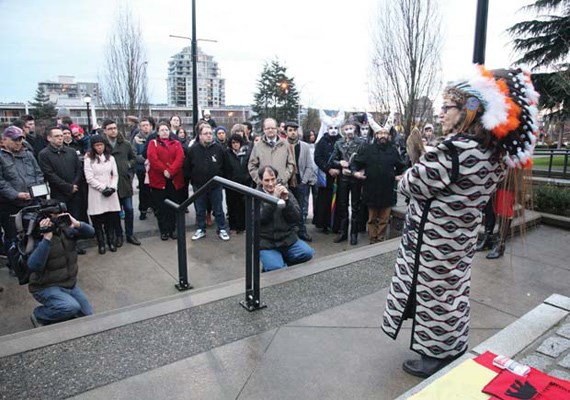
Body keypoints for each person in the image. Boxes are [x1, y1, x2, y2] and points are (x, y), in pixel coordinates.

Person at [381, 67, 539, 378]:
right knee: (453, 291)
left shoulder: (455, 149)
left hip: (434, 240)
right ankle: (453, 347)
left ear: (470, 110)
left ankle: (435, 356)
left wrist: (416, 166)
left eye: (447, 107)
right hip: (461, 236)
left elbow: (411, 185)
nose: (441, 113)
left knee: (434, 295)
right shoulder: (494, 153)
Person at [26, 209, 95, 326]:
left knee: (87, 314)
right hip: (45, 286)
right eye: (55, 216)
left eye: (61, 214)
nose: (59, 218)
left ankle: (62, 306)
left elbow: (91, 232)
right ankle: (39, 314)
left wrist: (77, 223)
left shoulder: (66, 230)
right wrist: (46, 238)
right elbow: (33, 265)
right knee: (71, 307)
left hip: (68, 284)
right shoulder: (39, 237)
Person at [0, 126, 44, 269]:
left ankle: (32, 262)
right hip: (10, 204)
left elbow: (38, 173)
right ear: (4, 140)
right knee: (12, 236)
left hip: (32, 201)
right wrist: (15, 194)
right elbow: (1, 181)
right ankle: (16, 266)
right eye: (15, 140)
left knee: (33, 232)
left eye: (20, 139)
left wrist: (36, 191)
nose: (18, 143)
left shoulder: (28, 154)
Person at [353, 127, 405, 243]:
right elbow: (356, 163)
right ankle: (372, 240)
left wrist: (398, 175)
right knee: (371, 219)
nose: (382, 135)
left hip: (387, 190)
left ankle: (380, 240)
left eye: (385, 133)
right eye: (380, 133)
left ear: (388, 135)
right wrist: (355, 172)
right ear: (376, 135)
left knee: (384, 219)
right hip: (371, 189)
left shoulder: (393, 150)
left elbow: (401, 166)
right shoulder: (368, 149)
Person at [257, 165, 315, 272]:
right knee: (277, 268)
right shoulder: (255, 195)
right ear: (261, 181)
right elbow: (259, 219)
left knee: (308, 253)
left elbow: (297, 217)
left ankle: (282, 260)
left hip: (287, 239)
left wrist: (287, 201)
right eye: (266, 180)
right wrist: (273, 200)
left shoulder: (285, 191)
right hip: (267, 242)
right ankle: (273, 264)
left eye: (273, 179)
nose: (270, 184)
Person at [38, 126, 85, 253]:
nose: (60, 138)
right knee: (62, 220)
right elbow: (49, 174)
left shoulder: (70, 151)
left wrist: (74, 185)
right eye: (57, 136)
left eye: (61, 135)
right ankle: (66, 245)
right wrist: (68, 187)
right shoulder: (44, 154)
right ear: (49, 138)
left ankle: (76, 243)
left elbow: (78, 169)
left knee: (75, 217)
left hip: (75, 191)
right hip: (59, 193)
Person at [184, 121, 230, 241]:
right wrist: (192, 181)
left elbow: (224, 166)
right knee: (200, 210)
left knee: (218, 209)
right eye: (206, 133)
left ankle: (222, 229)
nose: (209, 135)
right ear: (200, 135)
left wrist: (222, 181)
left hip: (216, 185)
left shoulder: (219, 149)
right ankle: (201, 229)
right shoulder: (192, 150)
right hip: (199, 186)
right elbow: (187, 167)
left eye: (210, 133)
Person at [102, 119, 140, 246]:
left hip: (124, 181)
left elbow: (134, 158)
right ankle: (119, 235)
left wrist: (127, 166)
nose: (113, 130)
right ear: (105, 131)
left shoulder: (126, 144)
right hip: (110, 183)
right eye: (110, 128)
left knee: (129, 209)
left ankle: (130, 234)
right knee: (115, 212)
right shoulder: (102, 145)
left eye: (114, 128)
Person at [84, 135, 121, 255]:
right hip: (96, 192)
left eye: (101, 145)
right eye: (96, 145)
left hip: (110, 192)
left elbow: (115, 175)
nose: (99, 147)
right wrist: (103, 188)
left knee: (110, 218)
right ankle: (101, 243)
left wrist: (112, 188)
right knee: (98, 220)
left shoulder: (111, 158)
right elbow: (89, 178)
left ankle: (111, 241)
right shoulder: (89, 159)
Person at [147, 122, 185, 240]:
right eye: (162, 130)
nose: (165, 132)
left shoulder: (177, 143)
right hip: (159, 181)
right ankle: (164, 230)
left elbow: (180, 158)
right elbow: (153, 158)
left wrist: (171, 171)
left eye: (167, 130)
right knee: (161, 207)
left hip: (174, 180)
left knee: (173, 207)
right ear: (158, 132)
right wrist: (164, 170)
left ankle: (173, 229)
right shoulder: (153, 143)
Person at [329, 120, 365, 245]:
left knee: (355, 206)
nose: (348, 131)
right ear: (342, 130)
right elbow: (332, 159)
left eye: (351, 128)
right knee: (342, 205)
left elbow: (363, 159)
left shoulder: (361, 142)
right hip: (343, 178)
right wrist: (339, 163)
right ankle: (343, 233)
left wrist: (358, 169)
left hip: (355, 178)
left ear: (354, 128)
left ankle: (353, 233)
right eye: (346, 128)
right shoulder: (338, 143)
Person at [284, 121, 316, 242]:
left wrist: (304, 181)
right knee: (288, 208)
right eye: (290, 130)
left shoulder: (304, 146)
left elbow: (309, 166)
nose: (293, 132)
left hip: (301, 181)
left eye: (294, 130)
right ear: (286, 132)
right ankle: (290, 232)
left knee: (302, 208)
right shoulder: (282, 146)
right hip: (287, 182)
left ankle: (302, 231)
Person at [248, 118, 294, 188]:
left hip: (281, 186)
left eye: (273, 128)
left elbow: (291, 164)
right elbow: (252, 166)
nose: (270, 130)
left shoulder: (285, 144)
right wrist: (261, 181)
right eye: (268, 128)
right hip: (263, 189)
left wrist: (284, 178)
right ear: (264, 129)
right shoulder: (258, 145)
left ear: (277, 129)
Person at [313, 122, 342, 234]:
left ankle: (337, 225)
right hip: (326, 177)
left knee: (339, 201)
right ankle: (324, 224)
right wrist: (328, 169)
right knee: (324, 201)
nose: (333, 130)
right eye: (331, 128)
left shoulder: (342, 141)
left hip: (339, 177)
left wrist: (339, 169)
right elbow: (318, 158)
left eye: (335, 128)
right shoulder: (322, 142)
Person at [223, 134, 251, 233]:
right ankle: (233, 227)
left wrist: (247, 178)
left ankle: (243, 227)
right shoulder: (227, 153)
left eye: (237, 142)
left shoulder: (247, 153)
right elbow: (225, 169)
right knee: (232, 207)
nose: (235, 145)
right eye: (233, 143)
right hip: (231, 186)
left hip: (244, 185)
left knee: (243, 207)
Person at [132, 117, 154, 220]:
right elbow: (134, 153)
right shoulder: (136, 139)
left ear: (150, 126)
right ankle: (143, 210)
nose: (145, 127)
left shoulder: (154, 137)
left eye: (147, 125)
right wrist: (145, 160)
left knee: (154, 190)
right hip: (141, 168)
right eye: (143, 125)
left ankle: (153, 206)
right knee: (143, 190)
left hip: (153, 168)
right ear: (140, 127)